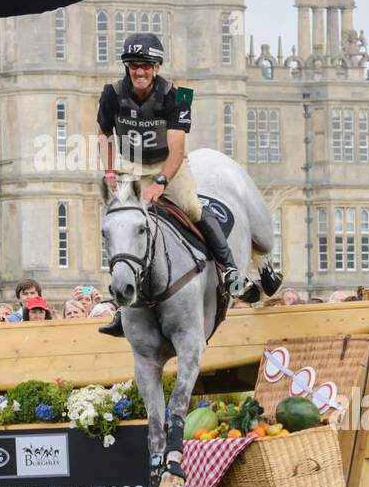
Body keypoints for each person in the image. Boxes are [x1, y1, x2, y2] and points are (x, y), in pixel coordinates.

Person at [96, 33, 279, 338]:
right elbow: (103, 134)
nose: (138, 72)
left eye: (145, 65)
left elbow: (178, 148)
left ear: (157, 66)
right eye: (133, 66)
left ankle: (231, 271)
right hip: (130, 166)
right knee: (120, 224)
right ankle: (122, 305)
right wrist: (110, 173)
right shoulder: (111, 93)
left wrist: (160, 182)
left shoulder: (180, 96)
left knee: (193, 208)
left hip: (169, 164)